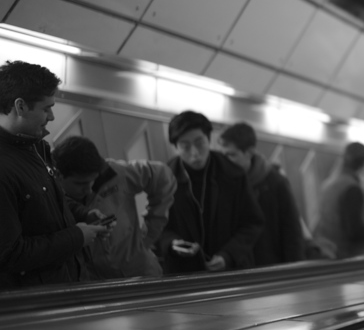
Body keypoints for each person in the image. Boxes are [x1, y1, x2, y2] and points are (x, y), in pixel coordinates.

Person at [0, 61, 110, 289]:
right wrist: (77, 237)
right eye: (46, 108)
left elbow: (49, 200)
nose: (51, 116)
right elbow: (11, 254)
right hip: (33, 303)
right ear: (20, 107)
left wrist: (83, 215)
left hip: (66, 285)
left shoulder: (37, 148)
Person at [52, 136, 176, 278]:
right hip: (94, 285)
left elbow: (163, 175)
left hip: (141, 272)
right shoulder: (49, 196)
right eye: (80, 184)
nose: (88, 189)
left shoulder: (114, 172)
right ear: (58, 175)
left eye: (92, 181)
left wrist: (149, 234)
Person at [158, 111, 264, 274]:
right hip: (184, 274)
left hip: (230, 271)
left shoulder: (233, 174)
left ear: (209, 140)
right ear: (176, 148)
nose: (194, 153)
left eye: (199, 143)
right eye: (185, 146)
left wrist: (228, 255)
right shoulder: (165, 179)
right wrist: (171, 243)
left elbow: (252, 223)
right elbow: (156, 225)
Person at [218, 122, 304, 266]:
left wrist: (295, 273)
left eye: (232, 155)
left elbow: (292, 233)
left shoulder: (275, 183)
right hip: (237, 269)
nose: (226, 162)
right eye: (223, 155)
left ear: (250, 152)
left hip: (270, 268)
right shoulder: (224, 183)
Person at [313, 141, 364, 259]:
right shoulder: (352, 188)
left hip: (328, 252)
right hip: (348, 257)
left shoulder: (329, 184)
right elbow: (355, 231)